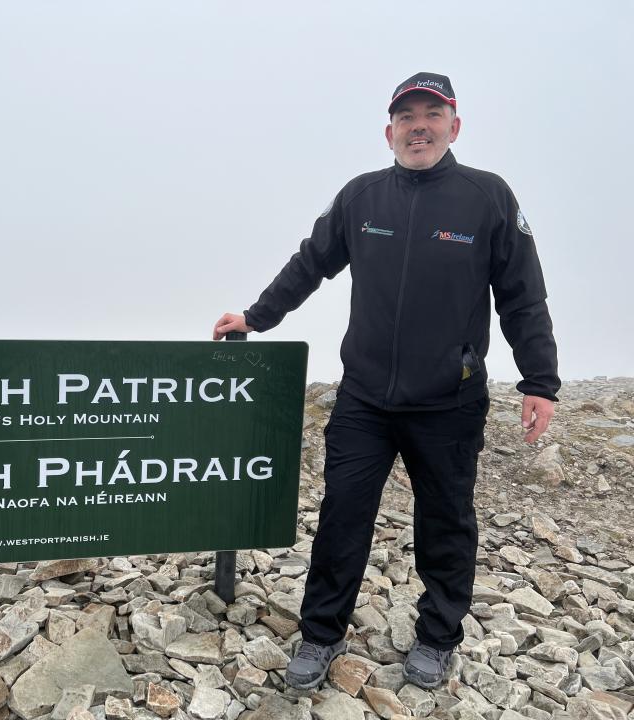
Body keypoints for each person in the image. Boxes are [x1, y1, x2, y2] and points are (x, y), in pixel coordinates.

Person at [213, 72, 559, 690]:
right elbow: (310, 262)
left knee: (445, 521)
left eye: (432, 114)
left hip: (449, 401)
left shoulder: (488, 198)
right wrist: (257, 317)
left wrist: (541, 380)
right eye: (406, 116)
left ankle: (437, 637)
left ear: (455, 127)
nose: (418, 125)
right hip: (365, 400)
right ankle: (320, 635)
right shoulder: (361, 197)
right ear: (389, 130)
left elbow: (522, 295)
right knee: (343, 515)